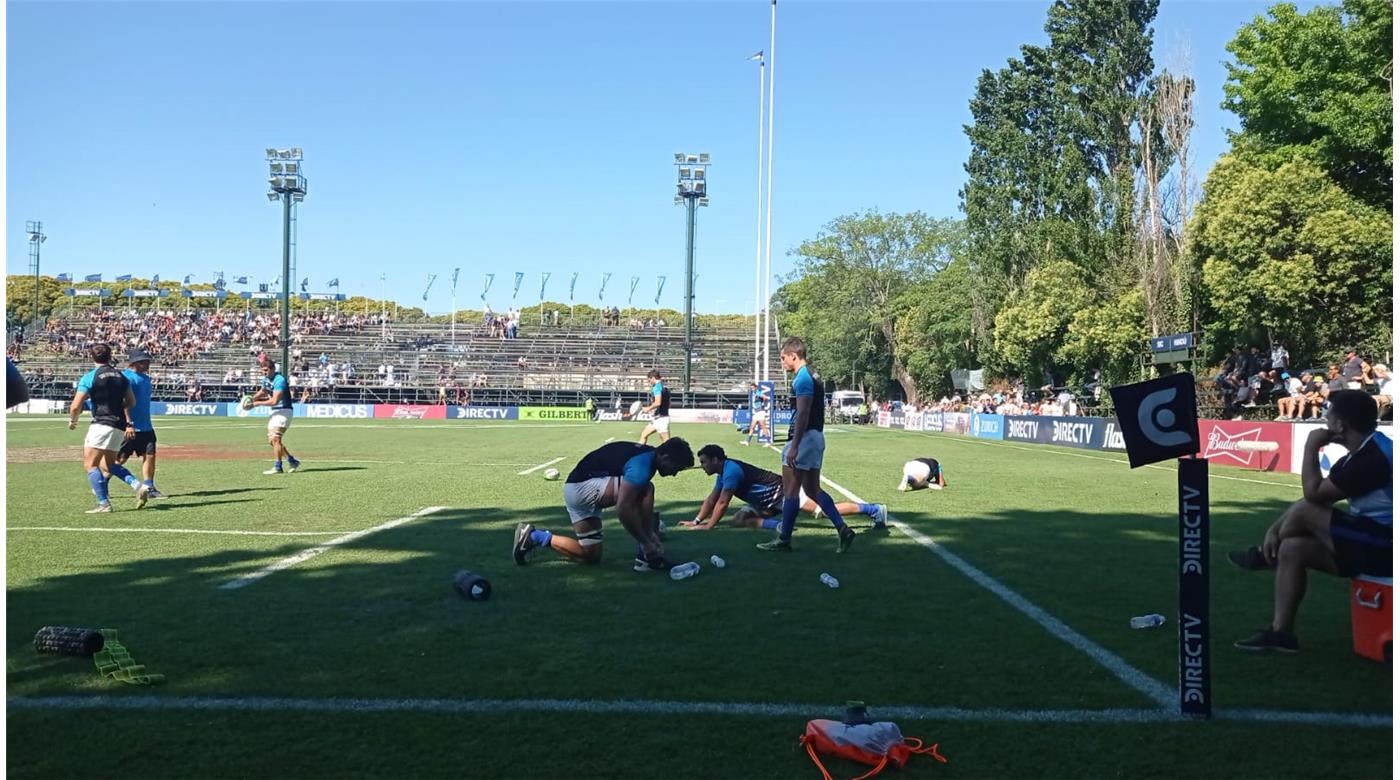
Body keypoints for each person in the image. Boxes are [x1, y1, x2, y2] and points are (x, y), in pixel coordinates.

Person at [1227, 390, 1392, 652]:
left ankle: (1262, 555)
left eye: (1329, 414)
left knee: (1305, 511)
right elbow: (1318, 501)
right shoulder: (1362, 453)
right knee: (1293, 549)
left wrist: (1311, 446)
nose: (1325, 419)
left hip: (1388, 547)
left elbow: (1312, 494)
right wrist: (1275, 529)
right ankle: (1282, 634)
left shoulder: (1372, 458)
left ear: (1340, 425)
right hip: (1376, 541)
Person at [512, 439, 694, 572]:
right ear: (664, 456)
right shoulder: (642, 466)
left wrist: (649, 535)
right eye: (675, 468)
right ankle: (646, 557)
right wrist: (647, 540)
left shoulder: (647, 455)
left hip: (576, 488)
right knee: (645, 488)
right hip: (584, 488)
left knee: (590, 555)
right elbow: (623, 509)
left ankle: (534, 536)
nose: (674, 474)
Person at [757, 337, 859, 553]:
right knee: (812, 489)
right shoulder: (813, 375)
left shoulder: (802, 378)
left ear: (794, 356)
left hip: (803, 439)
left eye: (783, 358)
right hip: (816, 438)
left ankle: (784, 539)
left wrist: (794, 445)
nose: (782, 362)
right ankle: (843, 529)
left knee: (791, 491)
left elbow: (803, 413)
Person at [682, 444, 887, 531]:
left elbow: (723, 502)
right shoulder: (722, 472)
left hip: (783, 490)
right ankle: (779, 527)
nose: (702, 466)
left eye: (704, 462)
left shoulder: (732, 471)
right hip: (766, 502)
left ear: (716, 460)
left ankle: (874, 509)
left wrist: (708, 527)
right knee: (740, 518)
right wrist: (696, 520)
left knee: (823, 512)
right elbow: (712, 499)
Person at [68, 344, 149, 512]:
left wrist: (73, 421)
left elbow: (76, 406)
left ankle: (104, 503)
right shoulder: (122, 377)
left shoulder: (90, 377)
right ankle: (138, 486)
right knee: (109, 465)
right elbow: (131, 402)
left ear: (92, 357)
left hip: (101, 423)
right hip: (119, 425)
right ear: (110, 356)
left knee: (91, 465)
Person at [115, 348, 165, 498]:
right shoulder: (125, 377)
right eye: (145, 361)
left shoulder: (146, 378)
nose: (148, 363)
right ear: (136, 362)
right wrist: (128, 423)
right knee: (119, 460)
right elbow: (122, 402)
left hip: (146, 426)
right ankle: (100, 482)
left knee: (149, 455)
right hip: (130, 427)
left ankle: (149, 487)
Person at [249, 361, 301, 475]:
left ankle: (278, 467)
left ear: (273, 369)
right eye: (262, 370)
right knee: (272, 441)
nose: (264, 373)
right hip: (274, 412)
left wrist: (257, 404)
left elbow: (274, 401)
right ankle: (292, 461)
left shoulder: (279, 380)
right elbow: (264, 391)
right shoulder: (266, 379)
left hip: (284, 411)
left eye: (266, 370)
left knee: (276, 439)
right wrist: (250, 398)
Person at [635, 369, 672, 444]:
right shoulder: (665, 387)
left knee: (667, 443)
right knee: (644, 435)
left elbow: (658, 402)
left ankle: (674, 455)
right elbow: (667, 403)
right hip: (658, 418)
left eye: (649, 380)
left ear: (653, 378)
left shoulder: (657, 387)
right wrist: (654, 410)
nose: (649, 382)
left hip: (661, 419)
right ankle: (639, 451)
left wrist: (648, 409)